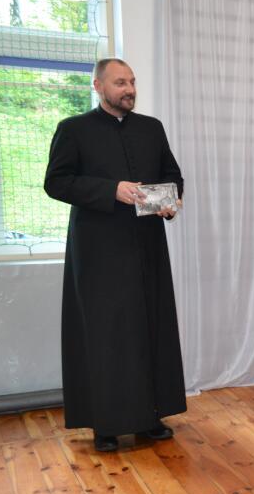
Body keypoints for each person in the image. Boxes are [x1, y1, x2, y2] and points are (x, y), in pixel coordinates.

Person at [44, 58, 185, 452]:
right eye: (120, 83)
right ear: (98, 86)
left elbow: (172, 175)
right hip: (98, 252)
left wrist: (168, 202)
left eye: (132, 82)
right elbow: (56, 182)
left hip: (147, 246)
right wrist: (111, 190)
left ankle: (150, 417)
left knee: (149, 329)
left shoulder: (151, 128)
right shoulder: (73, 129)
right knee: (105, 336)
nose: (130, 89)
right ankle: (105, 424)